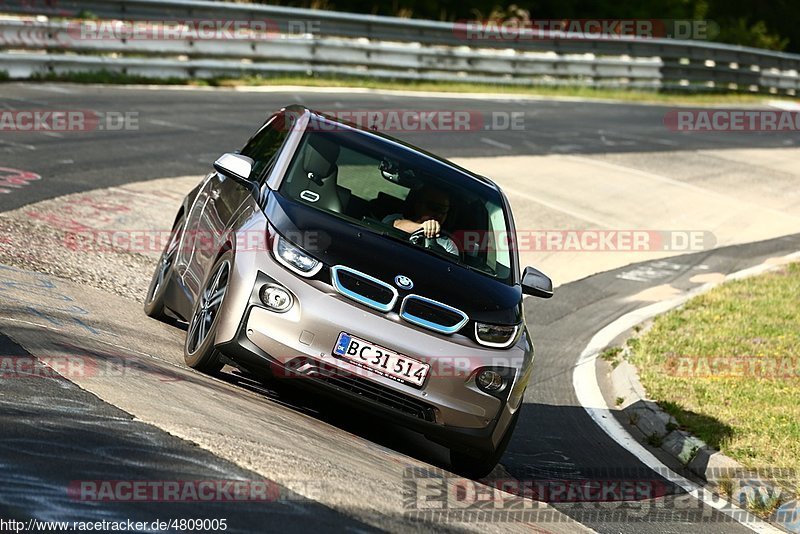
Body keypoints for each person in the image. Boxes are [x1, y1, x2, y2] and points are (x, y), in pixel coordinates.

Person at [382, 186, 459, 256]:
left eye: (443, 210)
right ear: (418, 205)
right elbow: (393, 225)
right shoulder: (396, 218)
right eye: (434, 207)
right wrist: (421, 227)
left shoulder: (448, 244)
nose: (438, 215)